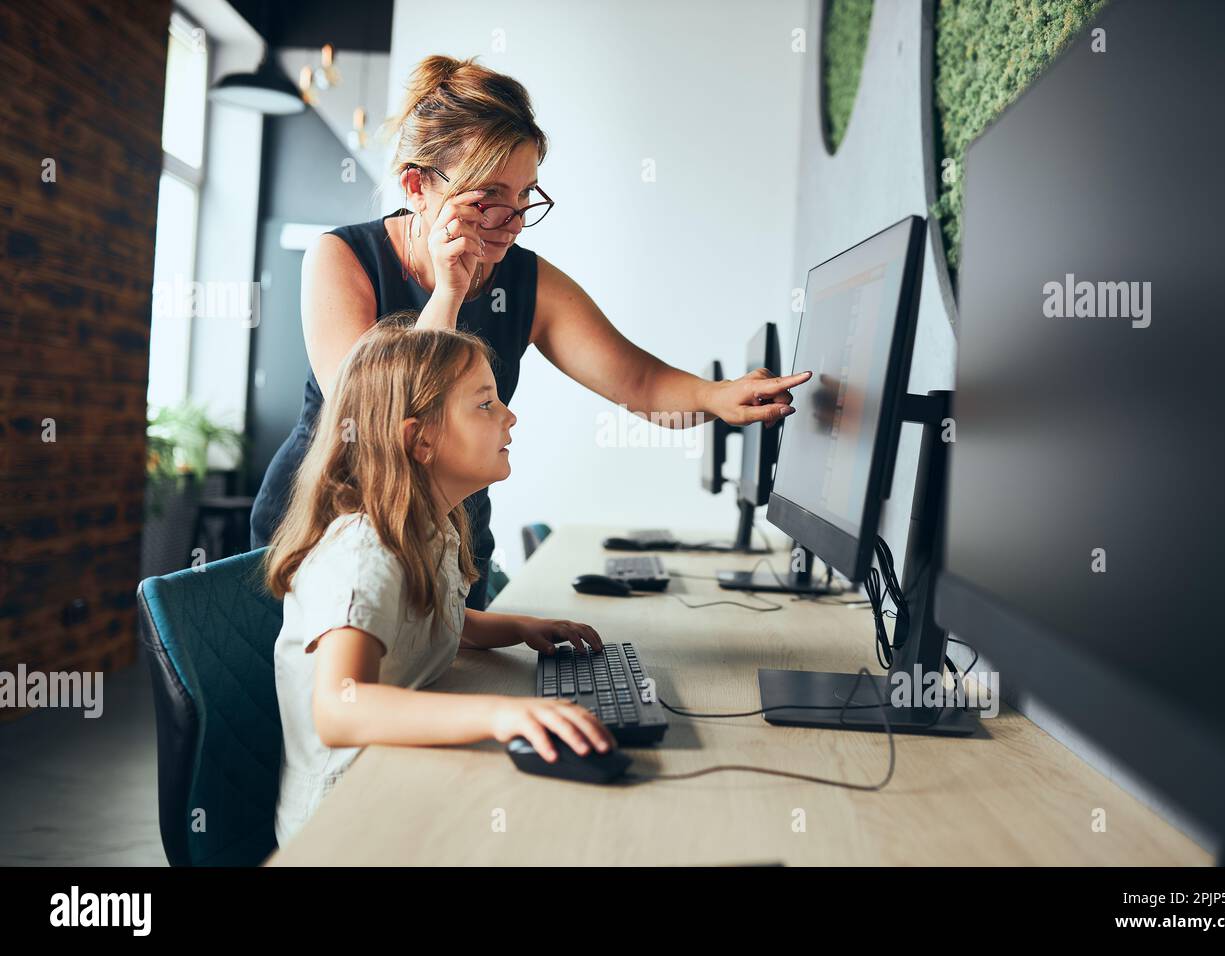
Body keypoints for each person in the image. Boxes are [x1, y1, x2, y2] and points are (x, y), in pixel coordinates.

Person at [250, 53, 811, 611]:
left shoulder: (524, 279)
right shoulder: (343, 258)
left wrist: (720, 398)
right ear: (416, 187)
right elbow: (379, 417)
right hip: (333, 535)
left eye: (524, 197)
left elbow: (637, 382)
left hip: (451, 541)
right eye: (488, 198)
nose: (511, 221)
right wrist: (447, 291)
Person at [264, 317, 614, 846]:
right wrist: (501, 714)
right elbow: (341, 706)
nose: (510, 417)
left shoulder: (427, 529)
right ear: (421, 439)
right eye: (485, 404)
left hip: (396, 776)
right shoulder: (363, 554)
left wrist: (518, 626)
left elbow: (423, 619)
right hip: (345, 824)